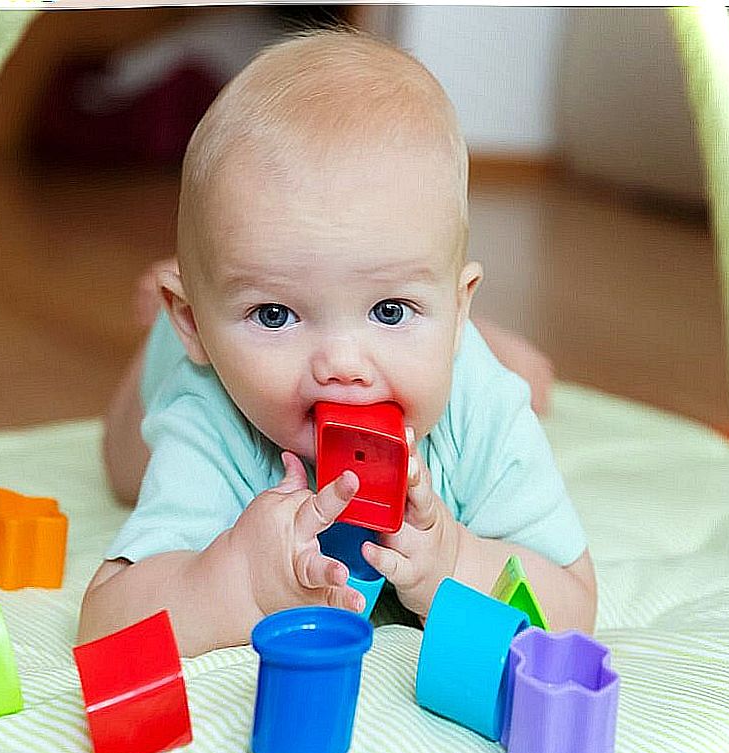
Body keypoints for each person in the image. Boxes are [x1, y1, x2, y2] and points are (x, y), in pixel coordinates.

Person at [78, 31, 596, 657]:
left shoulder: (478, 404)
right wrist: (237, 579)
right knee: (121, 465)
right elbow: (107, 621)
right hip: (182, 358)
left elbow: (573, 600)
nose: (343, 366)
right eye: (274, 314)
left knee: (523, 385)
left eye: (390, 308)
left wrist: (456, 563)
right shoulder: (213, 416)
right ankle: (165, 334)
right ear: (196, 322)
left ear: (457, 308)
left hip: (451, 347)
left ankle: (457, 331)